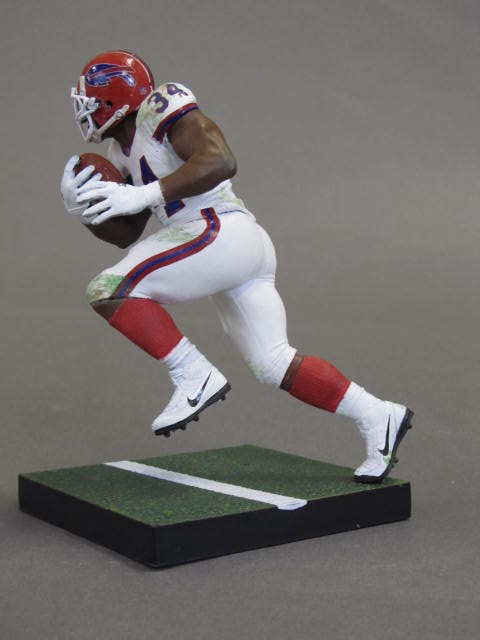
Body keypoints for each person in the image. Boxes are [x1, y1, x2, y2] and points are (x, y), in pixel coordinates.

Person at [61, 50, 413, 483]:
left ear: (113, 97)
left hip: (218, 229)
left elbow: (220, 160)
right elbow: (125, 233)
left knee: (108, 287)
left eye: (91, 100)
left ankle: (192, 373)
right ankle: (378, 415)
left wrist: (145, 194)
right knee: (273, 363)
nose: (86, 111)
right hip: (231, 245)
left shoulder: (159, 108)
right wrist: (86, 209)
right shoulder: (119, 153)